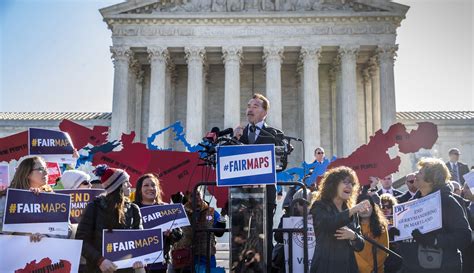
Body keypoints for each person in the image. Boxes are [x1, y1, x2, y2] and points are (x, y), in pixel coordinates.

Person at [233, 93, 285, 272]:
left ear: (264, 112)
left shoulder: (274, 135)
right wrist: (236, 140)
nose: (250, 109)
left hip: (265, 195)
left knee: (264, 236)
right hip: (240, 197)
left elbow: (280, 162)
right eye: (248, 105)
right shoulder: (238, 135)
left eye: (255, 106)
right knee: (240, 237)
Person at [395, 158, 471, 273]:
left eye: (420, 172)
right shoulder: (411, 203)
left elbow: (464, 236)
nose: (415, 175)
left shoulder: (447, 202)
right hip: (411, 268)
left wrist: (434, 241)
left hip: (442, 268)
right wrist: (398, 234)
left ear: (431, 179)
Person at [76, 165, 144, 273]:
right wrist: (100, 261)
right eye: (127, 182)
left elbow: (140, 240)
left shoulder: (134, 209)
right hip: (98, 270)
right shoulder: (94, 207)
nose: (130, 185)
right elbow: (81, 240)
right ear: (118, 186)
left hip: (126, 270)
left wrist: (140, 258)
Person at [309, 166, 371, 273]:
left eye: (352, 183)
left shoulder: (350, 210)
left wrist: (353, 236)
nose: (349, 186)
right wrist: (352, 211)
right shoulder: (319, 206)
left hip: (348, 267)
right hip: (326, 266)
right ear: (334, 185)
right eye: (346, 182)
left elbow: (360, 245)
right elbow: (327, 224)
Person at [0, 156, 60, 242]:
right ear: (27, 173)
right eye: (40, 169)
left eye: (46, 168)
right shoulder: (6, 199)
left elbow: (66, 228)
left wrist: (47, 236)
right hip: (14, 252)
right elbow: (2, 233)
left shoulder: (51, 196)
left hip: (45, 251)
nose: (46, 172)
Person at [134, 173, 183, 273]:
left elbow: (179, 234)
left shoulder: (166, 208)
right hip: (137, 264)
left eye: (153, 185)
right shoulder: (132, 208)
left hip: (160, 264)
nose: (150, 188)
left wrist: (171, 232)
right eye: (146, 185)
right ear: (139, 189)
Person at [355, 192, 389, 273]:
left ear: (373, 207)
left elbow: (384, 251)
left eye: (368, 206)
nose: (365, 210)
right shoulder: (352, 227)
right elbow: (353, 254)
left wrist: (373, 269)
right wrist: (367, 269)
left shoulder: (381, 226)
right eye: (361, 207)